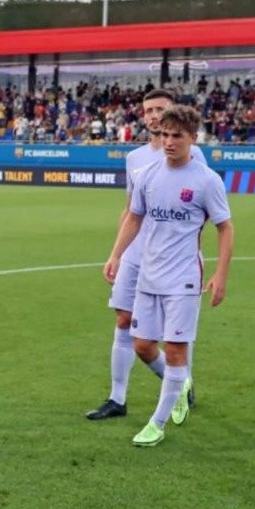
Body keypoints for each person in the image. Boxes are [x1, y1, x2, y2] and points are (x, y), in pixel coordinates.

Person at [103, 105, 234, 447]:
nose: (169, 142)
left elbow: (225, 228)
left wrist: (221, 274)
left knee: (176, 350)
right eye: (164, 135)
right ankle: (181, 383)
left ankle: (156, 424)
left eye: (177, 136)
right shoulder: (147, 174)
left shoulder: (206, 180)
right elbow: (134, 218)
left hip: (184, 278)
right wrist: (116, 254)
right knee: (144, 345)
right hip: (149, 275)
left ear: (193, 137)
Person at [87, 89, 205, 421]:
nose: (153, 116)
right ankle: (118, 398)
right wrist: (116, 253)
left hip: (172, 259)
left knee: (175, 332)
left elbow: (201, 208)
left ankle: (181, 381)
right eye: (148, 111)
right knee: (123, 321)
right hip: (136, 254)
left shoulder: (192, 154)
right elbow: (130, 211)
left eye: (160, 110)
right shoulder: (135, 158)